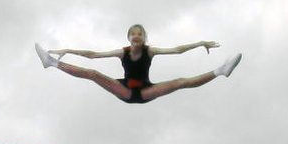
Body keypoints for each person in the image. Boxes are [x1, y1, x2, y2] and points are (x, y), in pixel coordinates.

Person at [35, 24, 242, 104]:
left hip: (145, 91)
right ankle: (52, 63)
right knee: (93, 73)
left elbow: (177, 50)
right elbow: (92, 55)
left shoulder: (150, 51)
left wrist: (200, 43)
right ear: (129, 38)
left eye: (140, 33)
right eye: (133, 33)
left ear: (144, 37)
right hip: (124, 89)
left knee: (180, 82)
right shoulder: (121, 52)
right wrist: (67, 51)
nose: (137, 36)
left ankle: (220, 71)